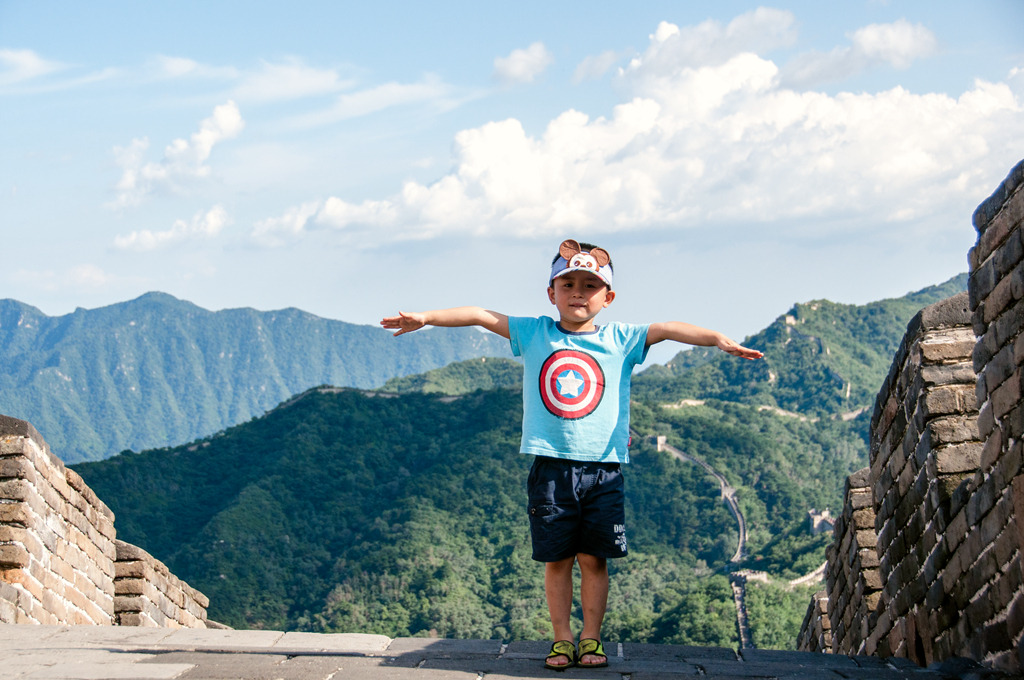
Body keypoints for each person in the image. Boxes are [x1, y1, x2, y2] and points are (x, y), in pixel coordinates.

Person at [381, 239, 762, 670]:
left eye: (589, 285)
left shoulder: (622, 339)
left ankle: (591, 639)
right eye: (568, 283)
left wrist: (716, 340)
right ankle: (562, 639)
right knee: (558, 560)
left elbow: (669, 328)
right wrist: (426, 318)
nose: (578, 292)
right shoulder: (535, 332)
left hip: (604, 470)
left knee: (594, 560)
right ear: (551, 293)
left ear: (608, 297)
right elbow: (481, 316)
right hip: (551, 469)